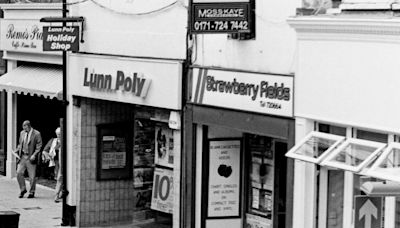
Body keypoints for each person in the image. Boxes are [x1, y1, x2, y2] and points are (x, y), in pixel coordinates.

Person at [16, 120, 42, 198]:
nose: (23, 128)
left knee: (32, 177)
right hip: (23, 156)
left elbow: (39, 146)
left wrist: (34, 155)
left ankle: (32, 192)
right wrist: (17, 149)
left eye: (24, 126)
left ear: (28, 126)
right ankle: (23, 189)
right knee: (19, 173)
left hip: (31, 157)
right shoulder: (22, 133)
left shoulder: (37, 134)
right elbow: (20, 144)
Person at [42, 127, 63, 202]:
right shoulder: (53, 140)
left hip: (63, 163)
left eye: (60, 134)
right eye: (57, 134)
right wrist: (48, 156)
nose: (59, 135)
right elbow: (44, 150)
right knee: (58, 178)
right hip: (56, 162)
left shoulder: (65, 141)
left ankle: (56, 195)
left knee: (60, 177)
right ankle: (60, 192)